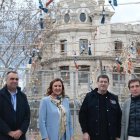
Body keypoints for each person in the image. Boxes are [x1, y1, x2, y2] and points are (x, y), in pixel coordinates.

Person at [79, 74, 122, 140]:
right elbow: (82, 115)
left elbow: (119, 118)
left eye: (105, 82)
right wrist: (85, 132)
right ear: (97, 83)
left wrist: (118, 135)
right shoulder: (89, 97)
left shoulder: (114, 98)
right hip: (92, 136)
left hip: (110, 136)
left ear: (108, 84)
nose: (103, 84)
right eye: (101, 81)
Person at [0, 71, 30, 140]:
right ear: (6, 80)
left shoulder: (23, 96)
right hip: (3, 136)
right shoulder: (1, 95)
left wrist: (21, 131)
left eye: (16, 79)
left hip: (20, 136)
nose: (15, 81)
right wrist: (9, 132)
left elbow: (27, 116)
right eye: (12, 79)